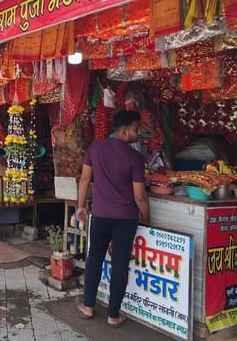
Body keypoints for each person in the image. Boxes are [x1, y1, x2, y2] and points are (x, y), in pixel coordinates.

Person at [76, 109, 150, 328]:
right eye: (136, 129)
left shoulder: (95, 147)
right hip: (126, 218)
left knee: (95, 257)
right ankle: (113, 316)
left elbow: (84, 180)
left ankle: (88, 307)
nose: (138, 134)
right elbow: (140, 196)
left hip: (100, 215)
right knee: (119, 263)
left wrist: (80, 206)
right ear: (125, 131)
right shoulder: (135, 158)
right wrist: (146, 219)